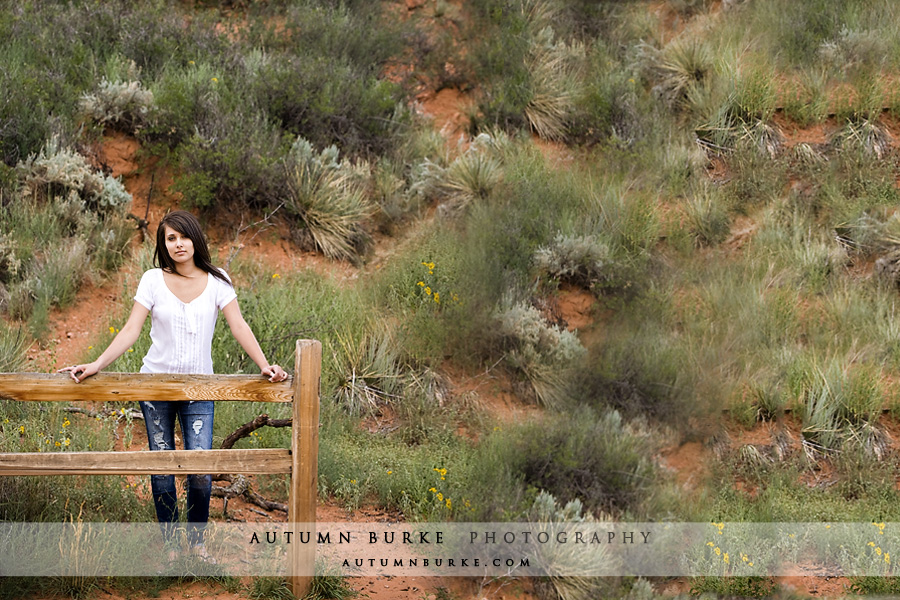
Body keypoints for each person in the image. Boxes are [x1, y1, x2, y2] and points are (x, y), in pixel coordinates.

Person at [59, 210, 287, 562]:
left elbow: (238, 325)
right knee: (163, 466)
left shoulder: (218, 280)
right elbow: (131, 329)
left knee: (199, 468)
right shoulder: (152, 280)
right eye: (170, 238)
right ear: (163, 245)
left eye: (183, 236)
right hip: (155, 387)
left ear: (195, 239)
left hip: (200, 390)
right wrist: (96, 364)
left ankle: (197, 544)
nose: (178, 244)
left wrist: (264, 365)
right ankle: (170, 545)